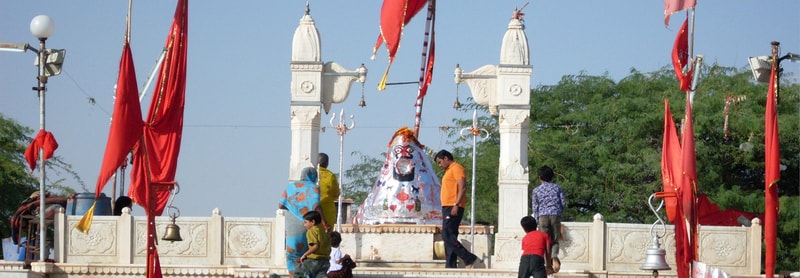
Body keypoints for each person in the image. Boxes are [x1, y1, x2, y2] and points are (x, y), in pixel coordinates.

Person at [434, 150, 479, 269]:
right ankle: (450, 265)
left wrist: (456, 204)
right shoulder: (448, 171)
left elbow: (463, 187)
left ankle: (468, 257)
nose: (440, 165)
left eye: (440, 162)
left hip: (453, 205)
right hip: (447, 206)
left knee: (447, 234)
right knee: (451, 236)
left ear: (446, 158)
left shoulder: (457, 168)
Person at [280, 167, 322, 278]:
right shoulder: (315, 188)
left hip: (292, 223)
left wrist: (294, 207)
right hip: (309, 222)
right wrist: (323, 223)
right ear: (314, 176)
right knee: (309, 253)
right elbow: (316, 206)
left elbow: (281, 205)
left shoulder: (290, 187)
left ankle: (293, 275)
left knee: (292, 254)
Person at [531, 166, 566, 273]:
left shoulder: (536, 190)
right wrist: (558, 213)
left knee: (545, 241)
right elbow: (563, 203)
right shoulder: (558, 188)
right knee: (555, 240)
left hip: (542, 217)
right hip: (555, 215)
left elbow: (535, 207)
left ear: (539, 177)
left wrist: (537, 221)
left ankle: (548, 265)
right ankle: (554, 257)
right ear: (552, 177)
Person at [294, 210, 331, 278]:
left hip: (314, 260)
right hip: (325, 261)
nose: (304, 225)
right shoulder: (323, 232)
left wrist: (305, 255)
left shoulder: (311, 231)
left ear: (313, 222)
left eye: (305, 222)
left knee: (298, 273)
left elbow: (315, 246)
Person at [317, 153, 340, 232]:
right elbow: (336, 193)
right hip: (327, 210)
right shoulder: (330, 176)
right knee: (326, 236)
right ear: (327, 163)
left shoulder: (311, 174)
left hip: (312, 208)